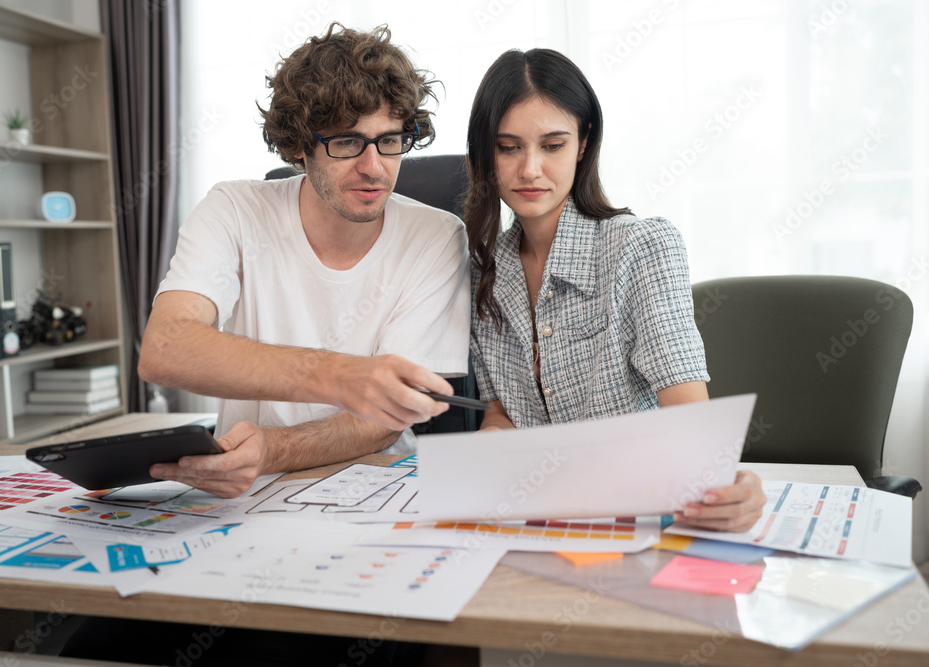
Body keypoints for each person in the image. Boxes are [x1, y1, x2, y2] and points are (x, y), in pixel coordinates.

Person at [138, 23, 470, 499]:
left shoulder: (436, 236)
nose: (374, 167)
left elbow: (383, 421)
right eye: (347, 142)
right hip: (243, 495)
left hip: (379, 486)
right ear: (298, 146)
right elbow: (165, 348)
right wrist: (340, 376)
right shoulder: (233, 210)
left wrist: (274, 449)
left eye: (390, 140)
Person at [464, 48, 765, 532]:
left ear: (583, 144)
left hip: (643, 516)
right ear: (485, 153)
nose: (530, 170)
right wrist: (484, 452)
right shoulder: (483, 275)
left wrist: (725, 484)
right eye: (509, 147)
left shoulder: (642, 247)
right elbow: (505, 412)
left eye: (553, 145)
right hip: (540, 521)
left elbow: (690, 424)